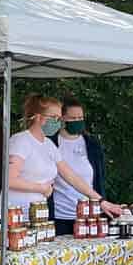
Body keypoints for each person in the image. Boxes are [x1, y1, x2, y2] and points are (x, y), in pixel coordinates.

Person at [0, 94, 121, 220]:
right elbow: (9, 180)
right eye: (54, 118)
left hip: (35, 216)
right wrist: (41, 188)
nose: (58, 123)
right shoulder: (21, 141)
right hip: (11, 215)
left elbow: (72, 177)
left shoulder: (49, 145)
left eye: (60, 119)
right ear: (38, 117)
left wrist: (100, 200)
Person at [48, 96, 109, 235]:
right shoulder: (51, 143)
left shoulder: (92, 144)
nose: (78, 121)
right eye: (73, 118)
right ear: (62, 118)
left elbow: (100, 178)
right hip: (59, 216)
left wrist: (101, 202)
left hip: (89, 216)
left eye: (80, 118)